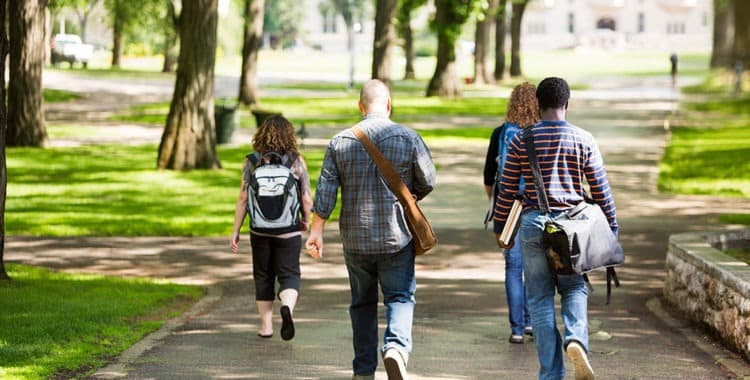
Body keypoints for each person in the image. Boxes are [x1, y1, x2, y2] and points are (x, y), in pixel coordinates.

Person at [305, 79, 436, 380]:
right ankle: (396, 349)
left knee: (362, 304)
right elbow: (428, 179)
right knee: (400, 297)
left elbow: (326, 191)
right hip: (396, 236)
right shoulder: (408, 137)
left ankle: (363, 371)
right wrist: (408, 196)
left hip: (355, 239)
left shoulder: (340, 142)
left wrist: (316, 231)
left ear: (360, 106)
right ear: (389, 104)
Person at [494, 77, 618, 380]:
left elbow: (507, 189)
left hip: (534, 225)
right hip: (572, 227)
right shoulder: (584, 139)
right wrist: (612, 227)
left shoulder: (520, 140)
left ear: (538, 104)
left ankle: (551, 373)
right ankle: (576, 339)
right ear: (567, 104)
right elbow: (601, 191)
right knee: (574, 287)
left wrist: (501, 228)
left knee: (538, 298)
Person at [230, 115, 313, 341]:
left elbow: (242, 198)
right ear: (290, 135)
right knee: (289, 274)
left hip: (260, 230)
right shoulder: (296, 161)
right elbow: (306, 198)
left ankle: (266, 326)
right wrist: (306, 222)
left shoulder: (251, 162)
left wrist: (236, 230)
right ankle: (287, 306)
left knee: (263, 275)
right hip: (289, 229)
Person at [483, 82, 539, 344]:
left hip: (509, 208)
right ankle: (530, 322)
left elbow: (488, 177)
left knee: (513, 267)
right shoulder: (542, 132)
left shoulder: (500, 133)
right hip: (536, 208)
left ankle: (516, 328)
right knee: (536, 267)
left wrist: (500, 207)